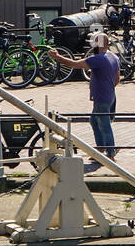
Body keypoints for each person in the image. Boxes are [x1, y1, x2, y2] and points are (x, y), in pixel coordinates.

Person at [48, 31, 120, 162]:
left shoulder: (99, 59)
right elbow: (117, 79)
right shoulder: (114, 57)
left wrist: (58, 57)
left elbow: (75, 64)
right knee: (94, 121)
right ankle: (101, 149)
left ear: (97, 45)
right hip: (110, 95)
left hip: (101, 97)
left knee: (104, 124)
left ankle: (110, 153)